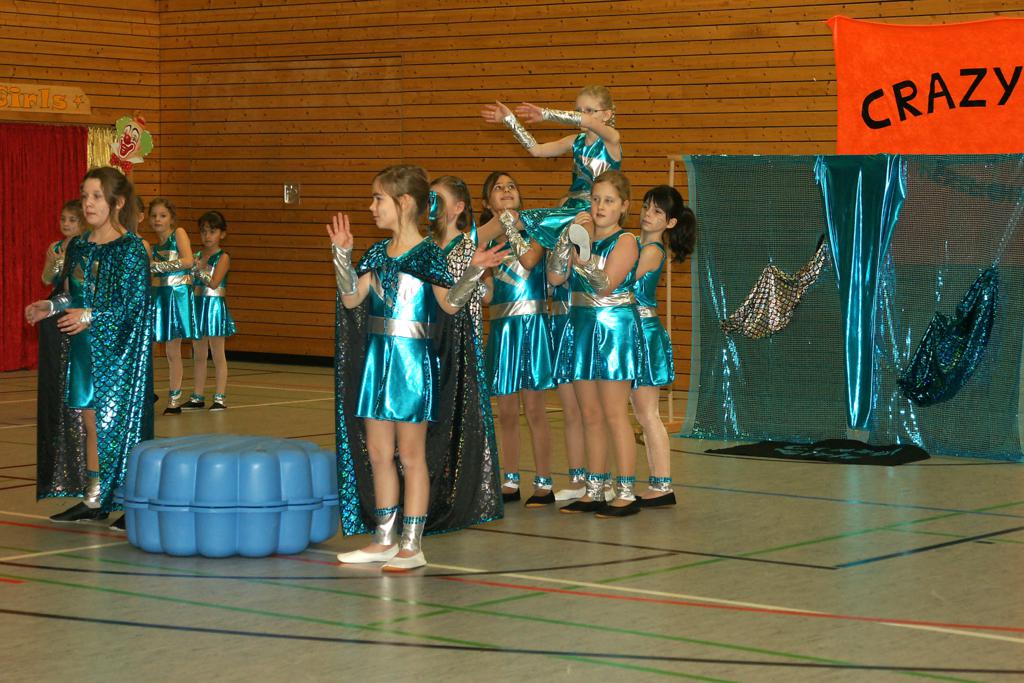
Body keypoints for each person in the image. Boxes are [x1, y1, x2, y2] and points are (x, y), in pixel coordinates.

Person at [330, 164, 505, 571]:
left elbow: (449, 305)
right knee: (378, 453)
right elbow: (352, 299)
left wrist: (473, 270)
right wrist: (342, 255)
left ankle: (412, 544)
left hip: (411, 364)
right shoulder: (377, 253)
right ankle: (384, 538)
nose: (372, 207)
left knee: (410, 455)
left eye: (378, 198)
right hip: (378, 363)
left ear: (404, 202)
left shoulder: (429, 254)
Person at [26, 166, 154, 525]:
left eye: (97, 196)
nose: (88, 203)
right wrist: (50, 306)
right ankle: (95, 498)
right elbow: (73, 294)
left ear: (118, 202)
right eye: (85, 196)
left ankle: (131, 501)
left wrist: (90, 316)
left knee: (120, 422)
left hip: (120, 351)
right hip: (85, 349)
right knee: (90, 421)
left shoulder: (131, 249)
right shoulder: (80, 246)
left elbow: (133, 306)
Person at [548, 170, 644, 517]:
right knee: (589, 413)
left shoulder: (626, 240)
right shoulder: (580, 237)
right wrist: (565, 240)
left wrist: (584, 254)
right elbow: (555, 277)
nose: (600, 206)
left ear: (623, 206)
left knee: (614, 413)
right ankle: (594, 488)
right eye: (595, 199)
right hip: (581, 325)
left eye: (609, 201)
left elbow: (605, 284)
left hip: (613, 328)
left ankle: (626, 491)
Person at [478, 171, 558, 506]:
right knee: (507, 412)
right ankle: (510, 480)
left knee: (535, 409)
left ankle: (544, 482)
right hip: (503, 330)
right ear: (487, 203)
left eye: (511, 186)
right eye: (498, 188)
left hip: (533, 327)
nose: (506, 190)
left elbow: (529, 259)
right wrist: (474, 274)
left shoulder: (537, 231)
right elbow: (488, 296)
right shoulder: (485, 244)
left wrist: (511, 224)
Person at [479, 85, 621, 249]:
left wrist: (546, 114)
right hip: (570, 208)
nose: (582, 114)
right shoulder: (575, 141)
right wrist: (510, 121)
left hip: (596, 210)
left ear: (606, 115)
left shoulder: (612, 139)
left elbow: (587, 121)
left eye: (589, 110)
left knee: (585, 223)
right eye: (578, 110)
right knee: (508, 218)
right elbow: (537, 150)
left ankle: (583, 252)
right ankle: (461, 243)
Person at [631, 186, 696, 507]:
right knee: (640, 413)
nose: (648, 214)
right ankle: (657, 483)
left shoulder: (653, 250)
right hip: (629, 331)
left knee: (647, 414)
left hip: (643, 333)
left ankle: (662, 485)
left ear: (670, 223)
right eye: (646, 206)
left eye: (657, 211)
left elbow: (620, 280)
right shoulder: (636, 243)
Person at [181, 210, 235, 411]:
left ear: (222, 234)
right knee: (199, 353)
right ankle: (198, 396)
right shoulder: (195, 256)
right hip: (197, 304)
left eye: (212, 231)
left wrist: (196, 270)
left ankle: (220, 397)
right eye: (203, 231)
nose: (207, 236)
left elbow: (213, 283)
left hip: (213, 307)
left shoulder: (223, 257)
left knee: (217, 353)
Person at [149, 198, 198, 415]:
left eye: (162, 215)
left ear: (171, 218)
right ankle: (149, 393)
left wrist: (157, 266)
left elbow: (188, 261)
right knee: (152, 346)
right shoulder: (153, 246)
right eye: (154, 216)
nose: (157, 219)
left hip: (177, 295)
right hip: (160, 296)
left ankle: (174, 400)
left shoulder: (178, 233)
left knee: (172, 349)